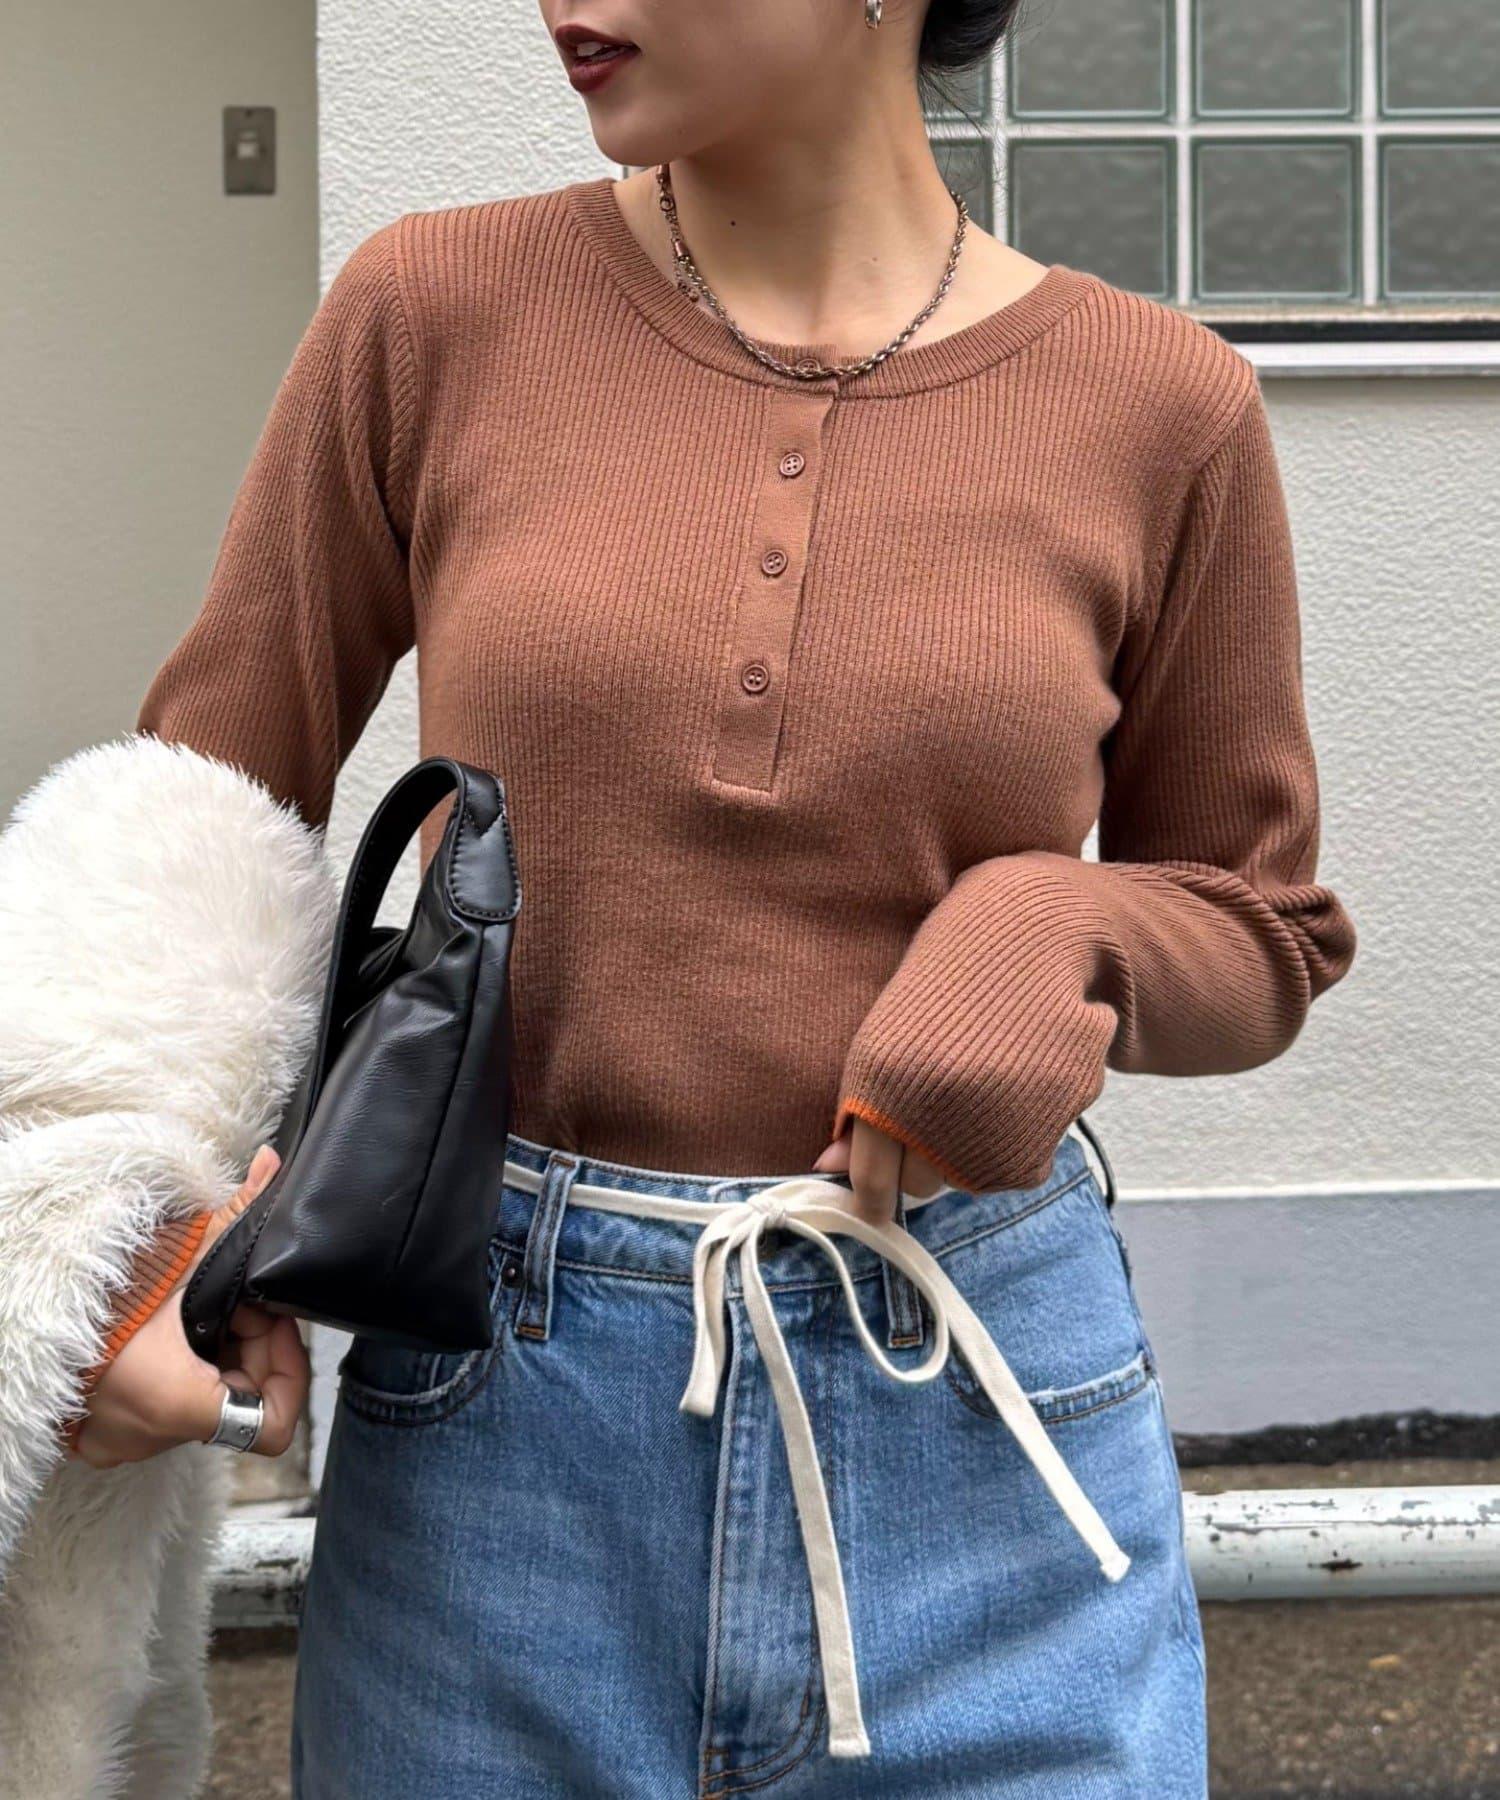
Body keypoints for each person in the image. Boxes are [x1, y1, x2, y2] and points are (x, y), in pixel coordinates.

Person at [72, 0, 1359, 1792]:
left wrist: (1052, 930)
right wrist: (124, 1246)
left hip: (976, 1406)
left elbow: (1261, 923)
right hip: (495, 1426)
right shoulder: (431, 311)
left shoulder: (1165, 405)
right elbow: (199, 820)